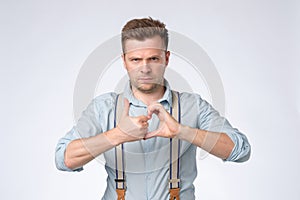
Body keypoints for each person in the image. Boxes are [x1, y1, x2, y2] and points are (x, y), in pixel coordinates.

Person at [55, 17, 251, 200]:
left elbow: (240, 150)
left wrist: (183, 131)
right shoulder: (103, 108)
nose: (145, 68)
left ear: (166, 58)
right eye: (136, 60)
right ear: (124, 61)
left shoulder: (193, 106)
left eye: (153, 59)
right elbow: (64, 159)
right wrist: (118, 135)